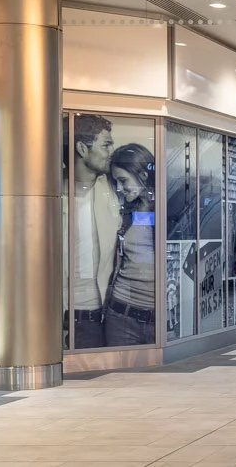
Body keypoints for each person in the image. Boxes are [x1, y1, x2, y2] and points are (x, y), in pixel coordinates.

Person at [68, 115, 120, 349]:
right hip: (59, 315)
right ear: (81, 148)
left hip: (101, 315)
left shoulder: (113, 190)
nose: (112, 151)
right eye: (106, 144)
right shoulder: (48, 196)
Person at [103, 143, 158, 345]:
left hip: (159, 316)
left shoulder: (169, 209)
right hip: (121, 315)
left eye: (123, 180)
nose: (119, 187)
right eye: (116, 181)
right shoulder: (125, 211)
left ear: (143, 175)